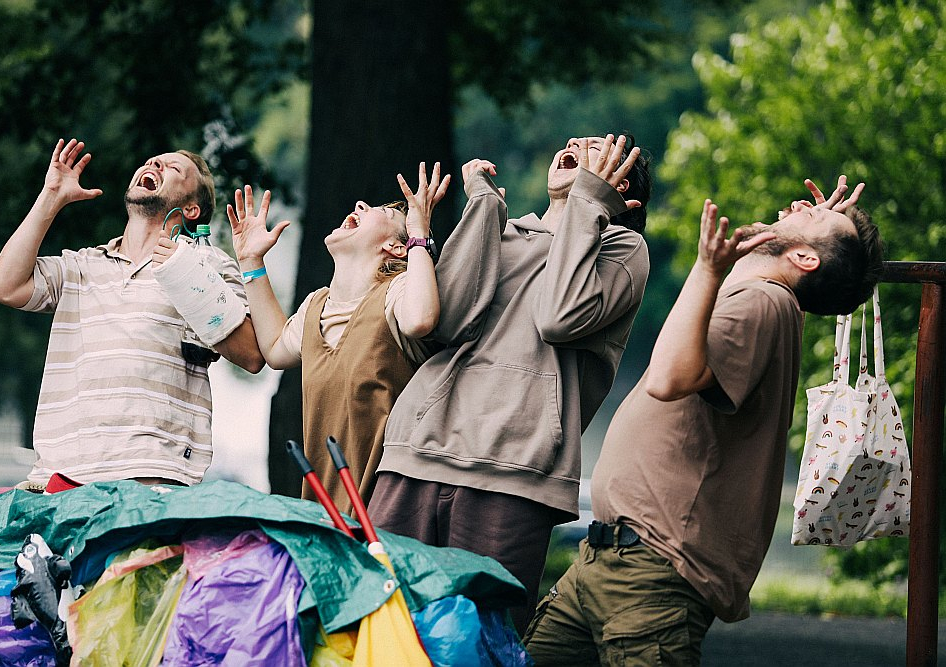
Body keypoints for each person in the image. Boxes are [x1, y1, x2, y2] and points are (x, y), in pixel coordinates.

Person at [523, 177, 884, 666]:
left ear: (803, 260)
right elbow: (765, 285)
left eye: (812, 215)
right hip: (606, 561)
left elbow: (669, 378)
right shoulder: (762, 298)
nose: (799, 204)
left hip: (654, 570)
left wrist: (707, 266)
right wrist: (820, 230)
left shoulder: (763, 304)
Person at [367, 134, 653, 632]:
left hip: (515, 472)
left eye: (592, 146)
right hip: (418, 453)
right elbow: (445, 321)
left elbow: (560, 316)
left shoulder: (624, 250)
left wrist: (589, 204)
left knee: (479, 643)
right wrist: (481, 207)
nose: (572, 142)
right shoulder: (502, 231)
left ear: (617, 182)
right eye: (573, 141)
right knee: (380, 631)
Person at [0, 138, 264, 489]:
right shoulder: (82, 265)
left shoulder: (209, 264)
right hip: (61, 477)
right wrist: (51, 197)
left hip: (153, 475)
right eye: (152, 160)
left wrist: (186, 273)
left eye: (172, 167)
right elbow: (3, 287)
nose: (155, 165)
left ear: (192, 209)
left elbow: (252, 355)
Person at [228, 162, 450, 514]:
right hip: (326, 511)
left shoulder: (396, 293)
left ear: (396, 247)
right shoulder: (316, 305)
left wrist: (419, 232)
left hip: (391, 513)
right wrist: (252, 260)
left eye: (380, 213)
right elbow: (273, 349)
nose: (360, 205)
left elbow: (421, 319)